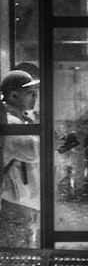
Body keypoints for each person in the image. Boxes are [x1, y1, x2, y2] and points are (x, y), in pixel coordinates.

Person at [0, 68, 40, 248]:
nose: (35, 96)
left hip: (23, 203)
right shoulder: (11, 122)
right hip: (15, 203)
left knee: (22, 262)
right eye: (29, 92)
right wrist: (52, 141)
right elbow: (35, 151)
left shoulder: (22, 120)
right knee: (15, 262)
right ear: (14, 96)